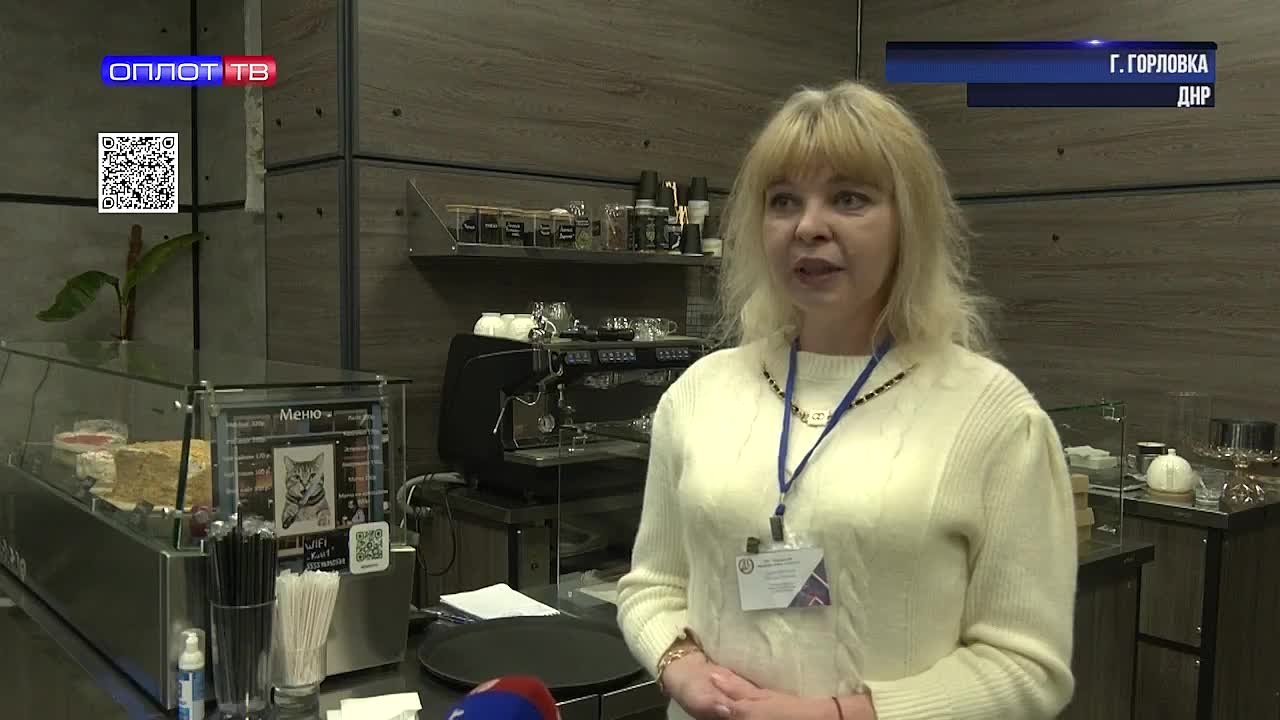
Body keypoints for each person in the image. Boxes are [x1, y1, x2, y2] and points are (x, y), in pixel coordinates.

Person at [616, 80, 1077, 720]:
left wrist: (840, 715)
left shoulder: (995, 416)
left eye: (849, 198)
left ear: (908, 222)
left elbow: (1027, 666)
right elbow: (653, 585)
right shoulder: (700, 393)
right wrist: (681, 666)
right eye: (783, 201)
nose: (808, 226)